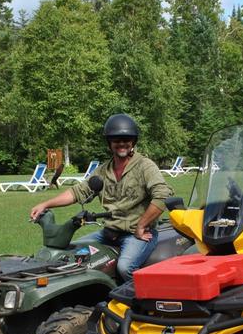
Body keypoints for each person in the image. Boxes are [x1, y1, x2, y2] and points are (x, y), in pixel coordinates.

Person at [29, 113, 173, 281]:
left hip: (135, 233)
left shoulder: (145, 166)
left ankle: (138, 302)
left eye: (126, 139)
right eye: (116, 140)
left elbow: (162, 195)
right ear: (109, 143)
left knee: (125, 267)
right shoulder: (104, 171)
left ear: (133, 141)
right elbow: (77, 192)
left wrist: (141, 225)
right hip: (109, 232)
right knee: (72, 253)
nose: (121, 144)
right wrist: (45, 204)